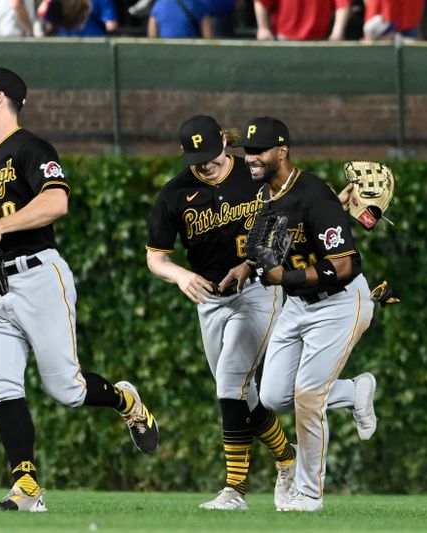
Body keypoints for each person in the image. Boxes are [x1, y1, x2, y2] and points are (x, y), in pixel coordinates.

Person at [0, 67, 159, 512]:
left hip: (38, 277)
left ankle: (126, 400)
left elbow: (56, 201)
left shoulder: (32, 147)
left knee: (66, 390)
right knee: (1, 387)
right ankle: (26, 489)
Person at [145, 115, 297, 511]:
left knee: (230, 383)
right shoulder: (174, 194)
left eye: (212, 153)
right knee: (241, 396)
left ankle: (234, 491)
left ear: (225, 145)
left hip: (258, 291)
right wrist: (179, 276)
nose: (206, 162)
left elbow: (289, 216)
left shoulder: (255, 175)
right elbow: (155, 258)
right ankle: (288, 458)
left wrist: (256, 264)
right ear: (184, 153)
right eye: (197, 156)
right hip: (210, 300)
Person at [235, 116, 377, 512]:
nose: (251, 158)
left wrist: (286, 275)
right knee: (273, 395)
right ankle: (354, 391)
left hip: (340, 302)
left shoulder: (314, 194)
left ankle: (309, 494)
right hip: (299, 304)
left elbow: (346, 265)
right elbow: (270, 252)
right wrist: (249, 267)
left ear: (283, 151)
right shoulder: (270, 195)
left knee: (308, 398)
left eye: (259, 150)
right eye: (248, 151)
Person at [253, 0, 351, 41]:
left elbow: (343, 4)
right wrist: (263, 28)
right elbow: (261, 2)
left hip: (319, 41)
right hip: (284, 40)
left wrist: (337, 32)